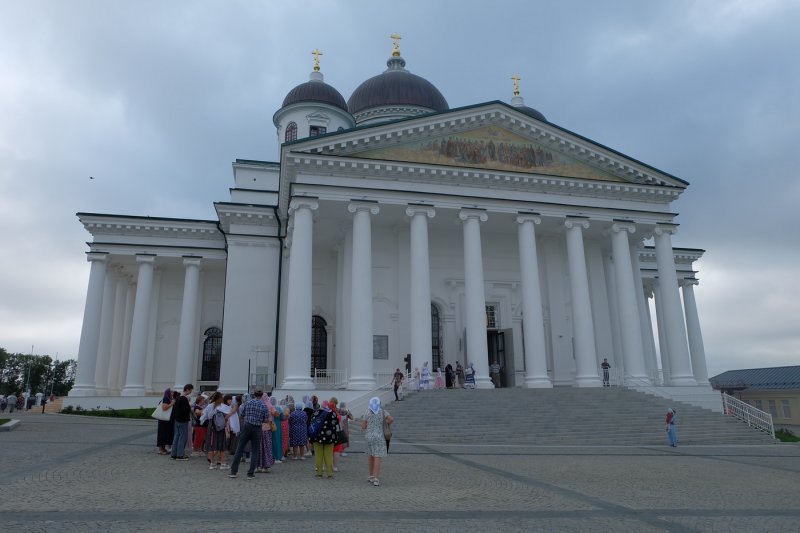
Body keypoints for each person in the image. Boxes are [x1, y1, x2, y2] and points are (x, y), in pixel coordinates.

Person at [229, 388, 270, 479]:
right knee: (255, 451)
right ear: (262, 395)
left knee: (239, 448)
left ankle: (233, 472)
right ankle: (250, 473)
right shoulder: (263, 405)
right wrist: (261, 419)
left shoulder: (248, 403)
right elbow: (266, 420)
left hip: (247, 426)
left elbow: (242, 415)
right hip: (257, 428)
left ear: (254, 395)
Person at [361, 397, 392, 487]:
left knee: (371, 455)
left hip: (369, 436)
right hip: (379, 436)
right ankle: (376, 478)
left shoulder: (367, 411)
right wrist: (385, 424)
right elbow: (391, 419)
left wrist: (368, 425)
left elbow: (363, 426)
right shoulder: (383, 411)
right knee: (377, 456)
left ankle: (371, 476)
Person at [311, 400, 340, 478]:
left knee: (318, 455)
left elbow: (312, 423)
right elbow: (336, 423)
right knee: (329, 455)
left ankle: (319, 473)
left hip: (317, 437)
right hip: (330, 438)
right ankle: (330, 474)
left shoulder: (316, 413)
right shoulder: (333, 414)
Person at [170, 383, 194, 461]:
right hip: (183, 420)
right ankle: (180, 455)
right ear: (187, 389)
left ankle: (174, 454)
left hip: (177, 420)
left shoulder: (178, 398)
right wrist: (189, 407)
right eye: (190, 390)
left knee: (176, 436)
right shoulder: (184, 399)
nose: (190, 392)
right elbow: (184, 411)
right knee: (182, 437)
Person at [156, 388, 176, 455]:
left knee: (167, 434)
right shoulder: (166, 399)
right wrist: (172, 403)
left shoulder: (169, 399)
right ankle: (161, 449)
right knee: (163, 434)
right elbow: (164, 408)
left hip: (168, 420)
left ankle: (164, 448)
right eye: (171, 392)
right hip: (164, 421)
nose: (173, 393)